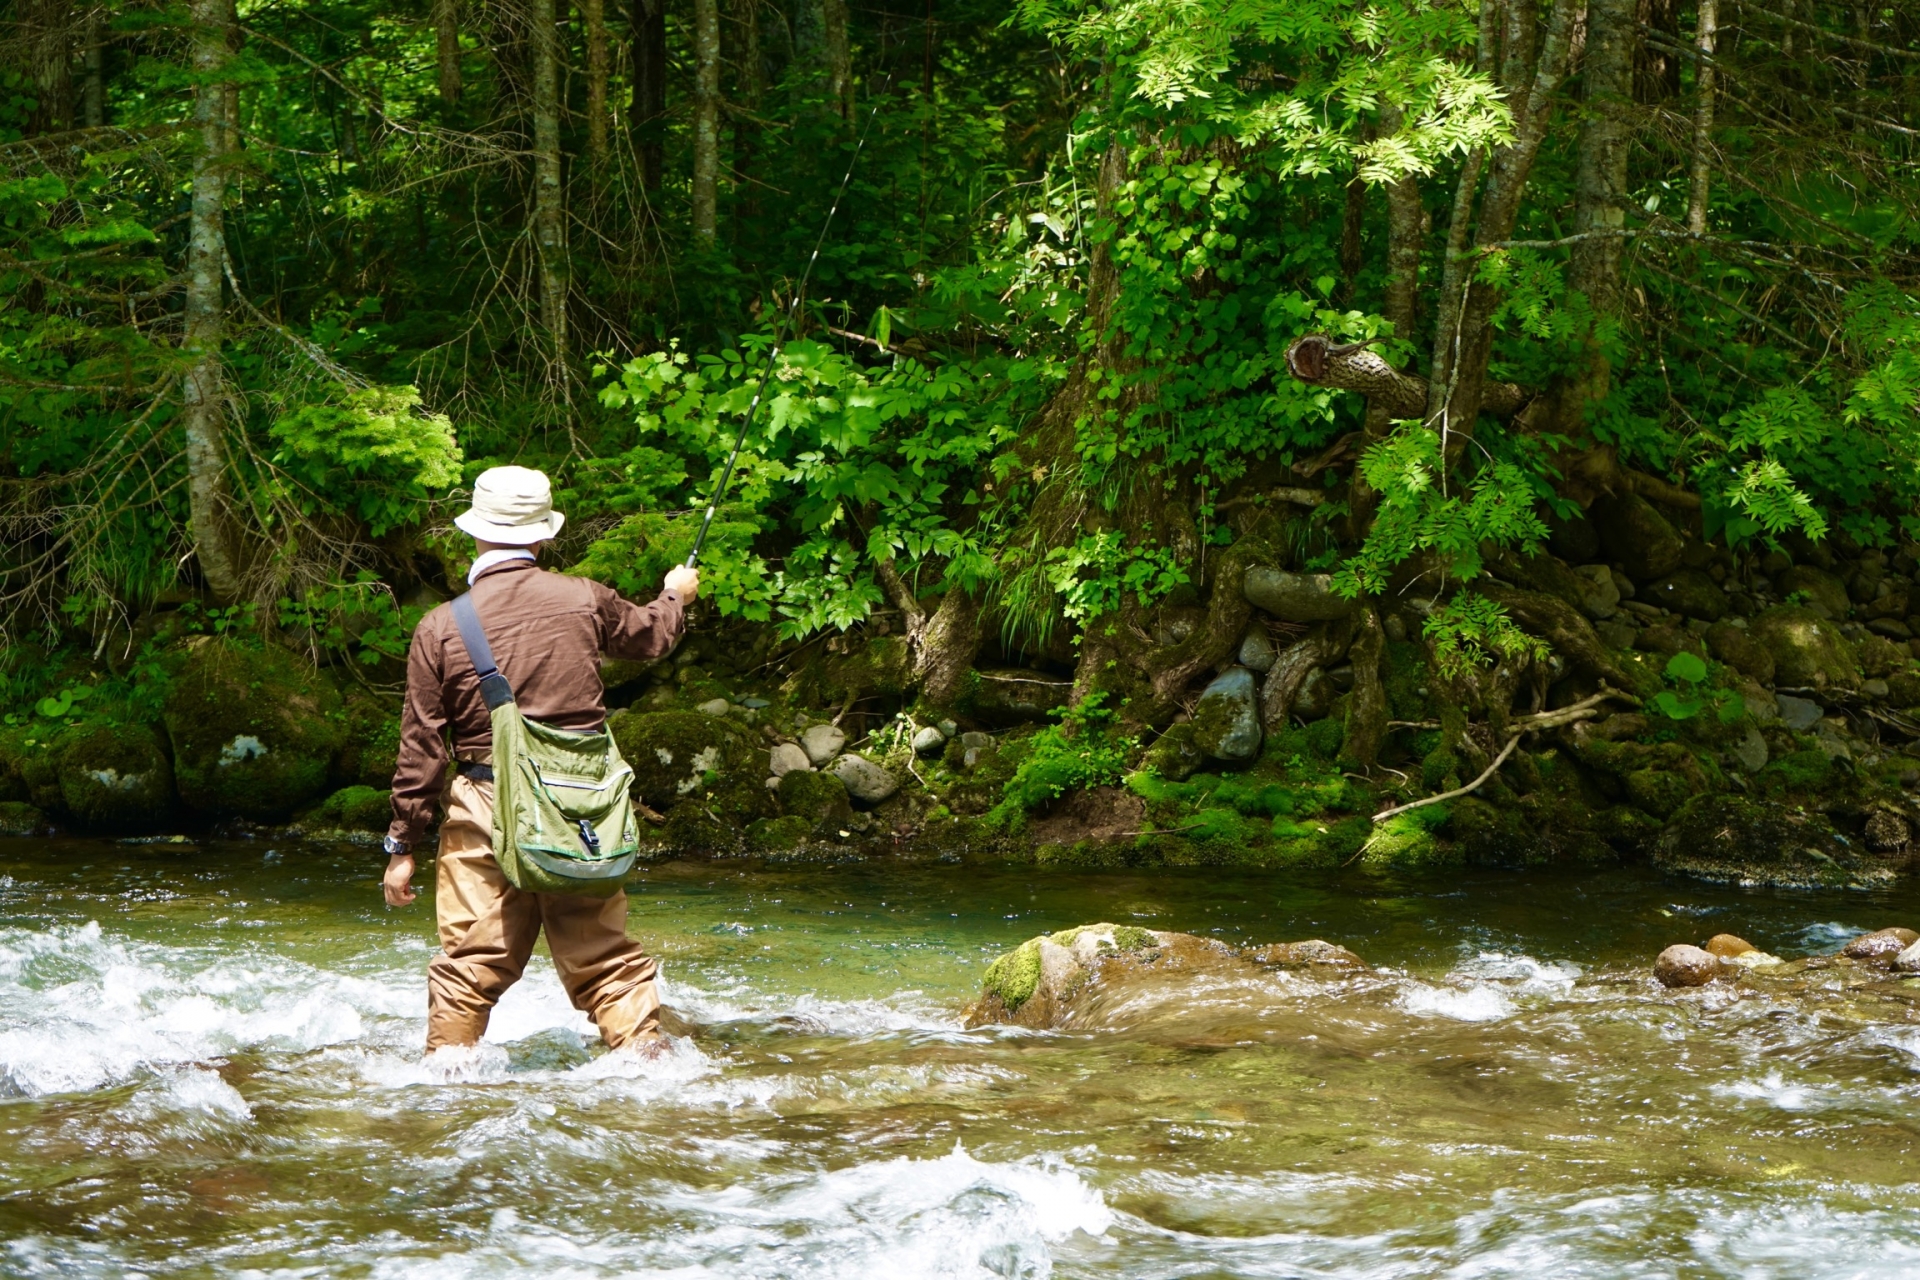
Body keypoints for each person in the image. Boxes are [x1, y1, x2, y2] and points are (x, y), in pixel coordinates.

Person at [382, 465, 698, 1054]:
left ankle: (447, 1089)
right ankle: (651, 1077)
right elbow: (651, 637)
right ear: (543, 534)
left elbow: (421, 748)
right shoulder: (585, 598)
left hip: (485, 803)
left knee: (470, 964)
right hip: (581, 806)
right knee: (605, 961)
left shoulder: (441, 626)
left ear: (474, 532)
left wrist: (402, 847)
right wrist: (675, 594)